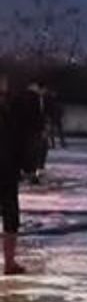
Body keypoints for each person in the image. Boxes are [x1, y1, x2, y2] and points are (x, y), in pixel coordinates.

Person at [0, 74, 26, 275]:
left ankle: (10, 262)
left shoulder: (9, 107)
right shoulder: (9, 109)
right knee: (10, 215)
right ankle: (9, 262)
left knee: (11, 216)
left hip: (8, 168)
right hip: (6, 168)